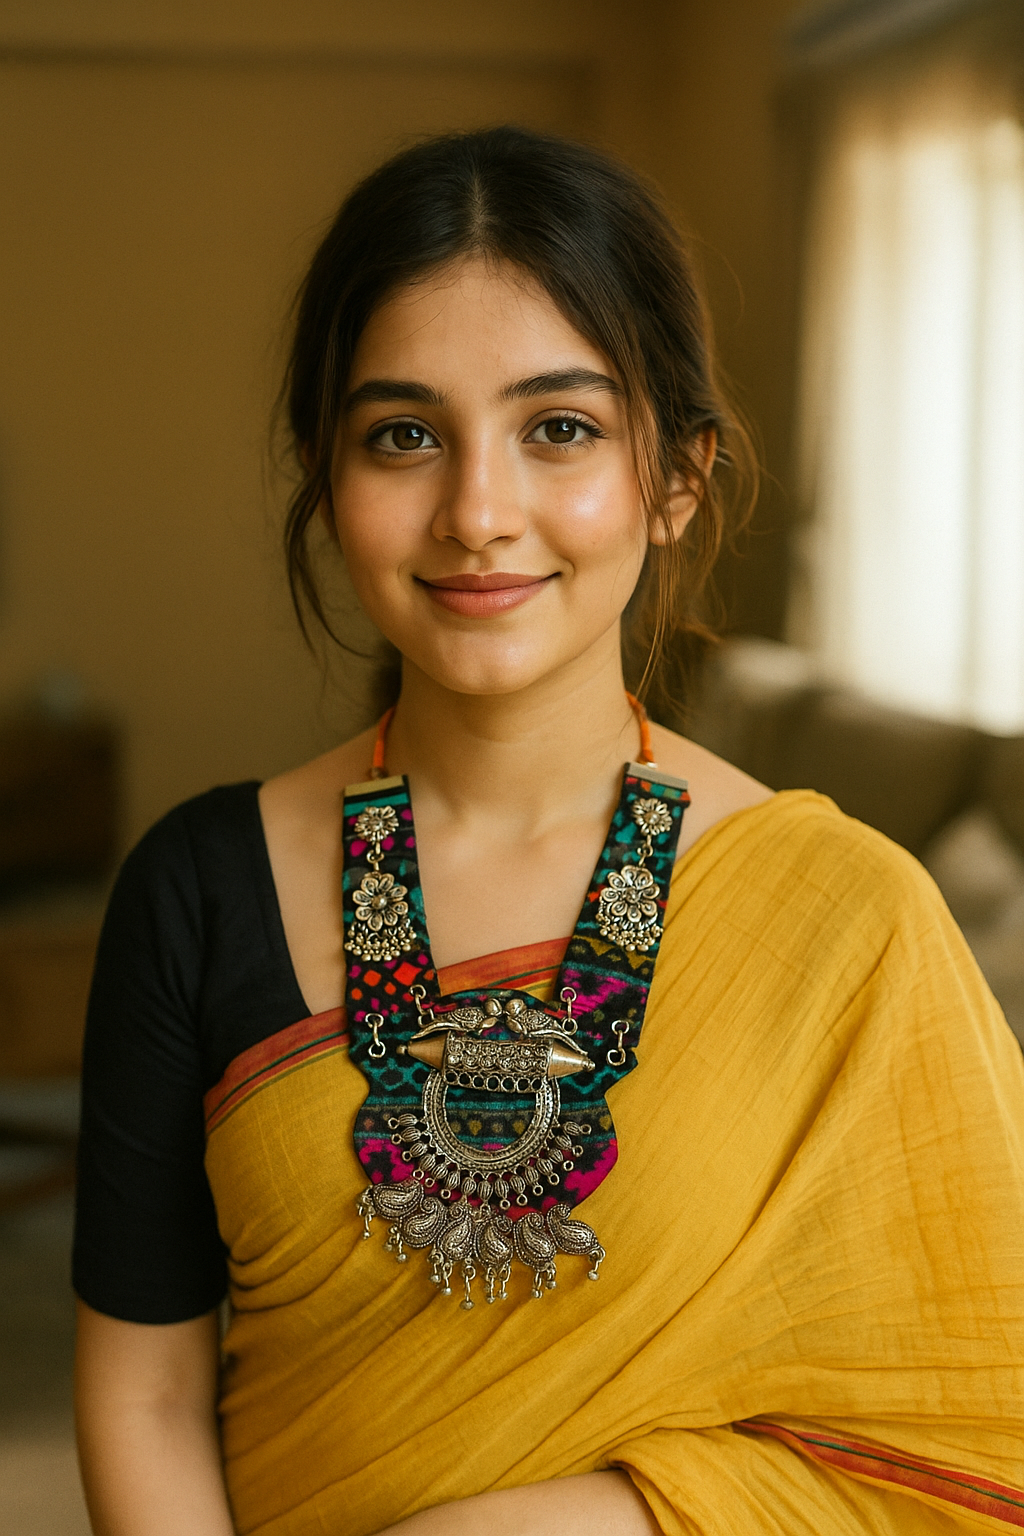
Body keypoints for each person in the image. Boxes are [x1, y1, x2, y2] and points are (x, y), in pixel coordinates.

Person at [73, 127, 1024, 1536]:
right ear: (327, 476)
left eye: (558, 429)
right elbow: (145, 1393)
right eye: (403, 435)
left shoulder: (847, 919)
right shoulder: (201, 888)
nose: (476, 512)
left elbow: (965, 1432)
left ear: (679, 476)